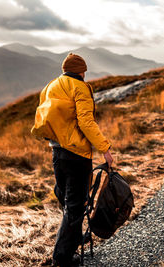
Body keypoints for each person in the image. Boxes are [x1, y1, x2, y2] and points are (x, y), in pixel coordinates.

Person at [31, 53, 114, 266]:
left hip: (57, 152)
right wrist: (105, 148)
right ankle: (62, 257)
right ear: (82, 71)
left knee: (66, 197)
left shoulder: (51, 85)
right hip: (77, 154)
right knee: (75, 205)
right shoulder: (80, 87)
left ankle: (75, 237)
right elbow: (86, 122)